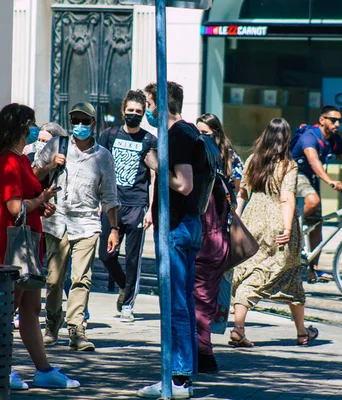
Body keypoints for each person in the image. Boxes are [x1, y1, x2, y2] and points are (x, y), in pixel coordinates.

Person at [0, 103, 79, 390]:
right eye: (30, 125)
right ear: (19, 127)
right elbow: (14, 207)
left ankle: (44, 370)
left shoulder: (21, 160)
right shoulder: (6, 162)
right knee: (7, 308)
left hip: (26, 242)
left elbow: (28, 199)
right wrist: (40, 202)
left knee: (30, 307)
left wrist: (41, 204)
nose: (34, 130)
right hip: (10, 244)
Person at [34, 102, 120, 352]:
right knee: (53, 279)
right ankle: (52, 323)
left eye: (85, 121)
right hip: (56, 220)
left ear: (94, 124)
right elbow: (33, 175)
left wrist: (114, 229)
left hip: (87, 223)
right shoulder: (56, 145)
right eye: (76, 121)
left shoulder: (103, 156)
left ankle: (76, 329)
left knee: (81, 279)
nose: (80, 126)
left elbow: (110, 196)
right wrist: (51, 165)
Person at [137, 81, 203, 399]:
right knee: (183, 302)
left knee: (176, 302)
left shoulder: (178, 135)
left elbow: (184, 184)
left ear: (161, 105)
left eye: (149, 104)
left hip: (178, 228)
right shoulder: (189, 132)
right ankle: (181, 374)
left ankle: (177, 378)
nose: (147, 110)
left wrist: (155, 164)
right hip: (187, 226)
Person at [231, 118, 318, 348]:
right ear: (287, 138)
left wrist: (236, 220)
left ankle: (241, 328)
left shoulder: (252, 160)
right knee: (288, 273)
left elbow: (242, 194)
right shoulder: (288, 165)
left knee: (251, 271)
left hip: (253, 222)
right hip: (278, 222)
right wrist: (288, 228)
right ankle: (299, 333)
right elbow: (287, 197)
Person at [290, 105, 342, 282]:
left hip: (310, 177)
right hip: (293, 173)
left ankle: (313, 270)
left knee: (317, 225)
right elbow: (313, 161)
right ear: (322, 120)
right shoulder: (310, 136)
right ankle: (286, 228)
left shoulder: (336, 140)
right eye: (333, 120)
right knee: (313, 201)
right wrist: (329, 181)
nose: (337, 124)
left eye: (339, 121)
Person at [98, 89, 157, 322]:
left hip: (137, 205)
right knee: (106, 255)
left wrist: (151, 209)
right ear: (123, 111)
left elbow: (155, 177)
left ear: (143, 114)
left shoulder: (150, 140)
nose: (134, 114)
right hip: (112, 205)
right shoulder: (109, 135)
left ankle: (128, 306)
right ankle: (124, 286)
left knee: (133, 258)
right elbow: (98, 169)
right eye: (130, 110)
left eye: (138, 112)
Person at [193, 113, 244, 373]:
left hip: (208, 243)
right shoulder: (223, 170)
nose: (202, 138)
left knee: (200, 302)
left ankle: (204, 354)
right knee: (206, 301)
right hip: (219, 242)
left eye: (206, 133)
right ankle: (200, 351)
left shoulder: (208, 172)